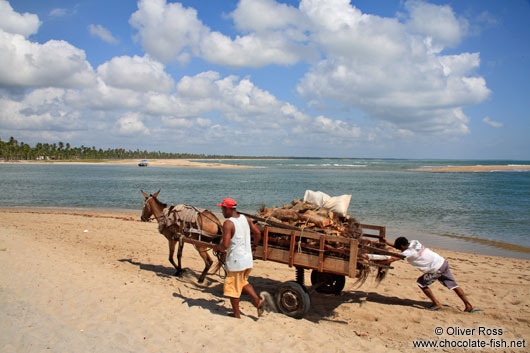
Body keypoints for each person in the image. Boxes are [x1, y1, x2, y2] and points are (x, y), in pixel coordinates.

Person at [384, 236, 475, 312]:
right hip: (442, 262)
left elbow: (393, 259)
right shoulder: (414, 242)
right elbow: (397, 247)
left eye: (399, 248)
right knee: (454, 286)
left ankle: (436, 303)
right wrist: (387, 242)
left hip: (435, 269)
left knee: (422, 283)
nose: (399, 249)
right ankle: (468, 305)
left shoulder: (408, 252)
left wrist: (378, 262)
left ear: (403, 246)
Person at [213, 198, 263, 318]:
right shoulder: (245, 218)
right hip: (247, 259)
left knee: (232, 288)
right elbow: (258, 234)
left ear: (227, 209)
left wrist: (217, 248)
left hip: (236, 261)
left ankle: (236, 314)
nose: (222, 212)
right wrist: (254, 245)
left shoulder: (228, 223)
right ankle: (258, 301)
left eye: (222, 209)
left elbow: (225, 245)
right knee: (242, 282)